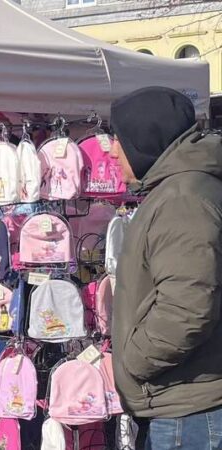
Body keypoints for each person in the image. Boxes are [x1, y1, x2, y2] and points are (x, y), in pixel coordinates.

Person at [110, 87, 222, 449]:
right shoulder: (183, 188)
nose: (112, 151)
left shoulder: (182, 198)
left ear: (145, 137)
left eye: (118, 138)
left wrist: (135, 361)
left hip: (188, 406)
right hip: (187, 397)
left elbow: (187, 308)